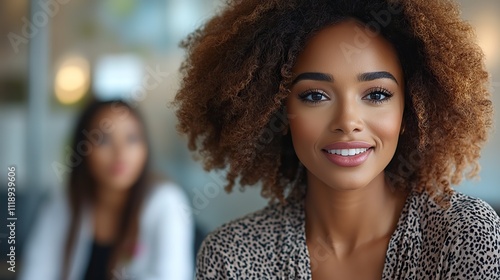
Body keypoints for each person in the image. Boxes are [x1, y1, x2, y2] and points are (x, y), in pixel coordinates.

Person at [174, 0, 500, 279]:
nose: (347, 122)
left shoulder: (464, 233)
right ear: (278, 113)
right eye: (315, 96)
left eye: (376, 94)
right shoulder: (232, 257)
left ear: (410, 110)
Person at [20, 99, 194, 280]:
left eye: (132, 139)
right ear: (82, 148)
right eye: (103, 140)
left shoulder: (166, 202)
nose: (120, 153)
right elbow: (36, 272)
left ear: (145, 149)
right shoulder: (64, 200)